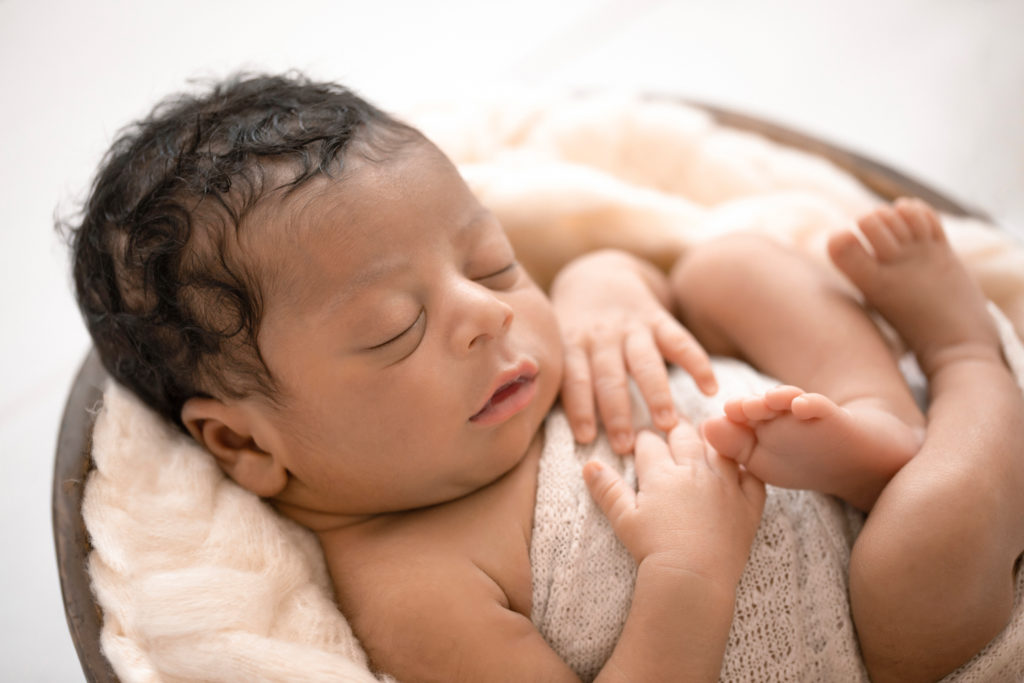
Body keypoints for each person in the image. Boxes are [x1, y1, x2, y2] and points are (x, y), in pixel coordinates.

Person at [67, 73, 1024, 682]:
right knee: (918, 563)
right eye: (397, 329)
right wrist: (687, 574)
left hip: (833, 439)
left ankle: (880, 419)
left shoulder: (520, 354)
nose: (490, 314)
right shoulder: (411, 583)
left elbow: (644, 284)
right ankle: (967, 360)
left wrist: (608, 288)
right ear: (246, 443)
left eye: (491, 263)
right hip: (885, 629)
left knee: (726, 265)